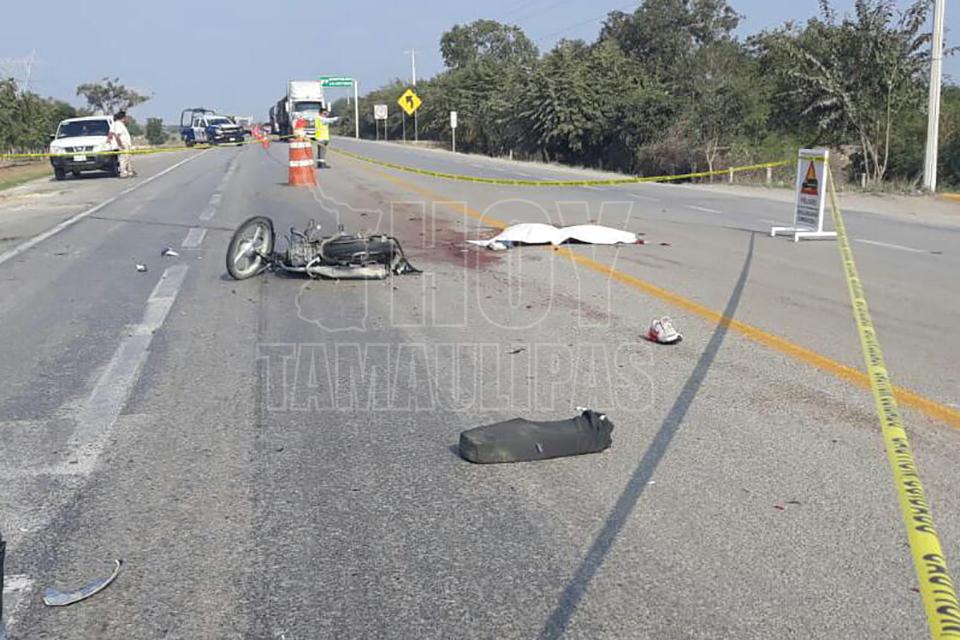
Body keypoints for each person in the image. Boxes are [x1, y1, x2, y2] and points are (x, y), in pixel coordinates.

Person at [107, 110, 135, 178]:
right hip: (123, 144)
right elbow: (117, 135)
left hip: (125, 144)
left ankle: (130, 171)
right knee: (123, 158)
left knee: (127, 158)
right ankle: (123, 173)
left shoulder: (118, 124)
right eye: (125, 117)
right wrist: (120, 144)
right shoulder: (118, 124)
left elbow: (110, 133)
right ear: (123, 117)